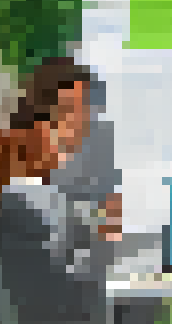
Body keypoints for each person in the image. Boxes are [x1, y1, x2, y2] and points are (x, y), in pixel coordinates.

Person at [11, 57, 123, 244]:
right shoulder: (19, 181)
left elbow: (110, 217)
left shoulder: (97, 144)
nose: (81, 119)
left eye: (85, 108)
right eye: (69, 109)